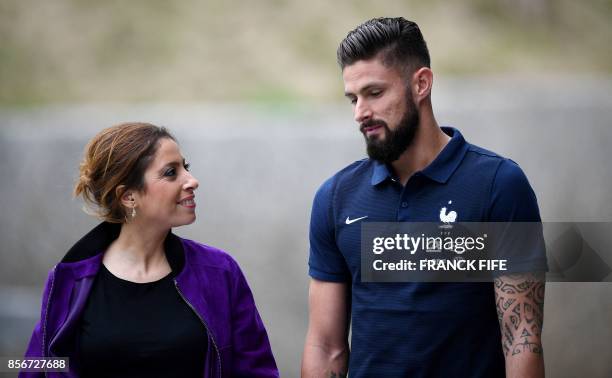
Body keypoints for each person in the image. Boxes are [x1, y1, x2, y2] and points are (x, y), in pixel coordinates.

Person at [301, 18, 547, 377]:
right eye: (353, 99)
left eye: (374, 93)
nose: (360, 113)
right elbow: (325, 347)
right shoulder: (336, 198)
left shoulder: (499, 185)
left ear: (421, 84)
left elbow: (521, 340)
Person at [22, 123, 279, 377]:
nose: (192, 181)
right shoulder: (69, 280)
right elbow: (38, 365)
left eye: (185, 168)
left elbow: (257, 370)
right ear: (128, 197)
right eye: (171, 172)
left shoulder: (219, 272)